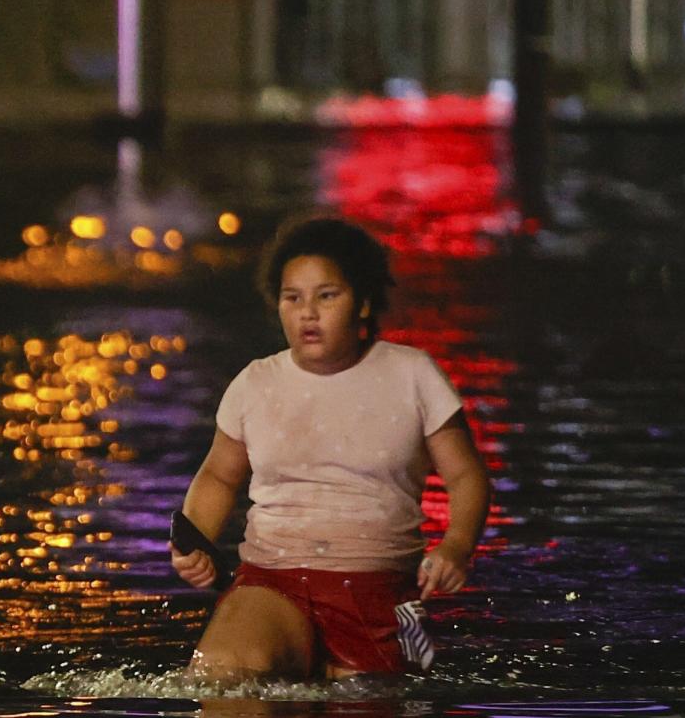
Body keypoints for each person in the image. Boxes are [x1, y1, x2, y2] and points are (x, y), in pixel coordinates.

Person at [171, 215, 491, 681]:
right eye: (292, 298)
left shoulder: (413, 375)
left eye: (326, 296)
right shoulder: (255, 383)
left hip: (376, 594)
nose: (308, 313)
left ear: (362, 303)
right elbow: (219, 475)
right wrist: (194, 544)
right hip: (271, 580)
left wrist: (456, 548)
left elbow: (467, 477)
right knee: (220, 677)